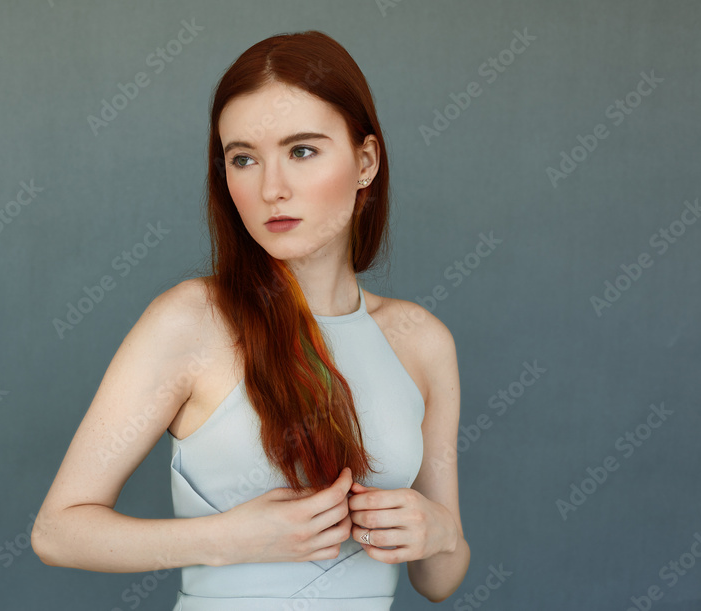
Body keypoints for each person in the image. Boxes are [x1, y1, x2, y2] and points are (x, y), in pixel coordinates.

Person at [32, 30, 470, 610]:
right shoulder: (191, 321)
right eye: (244, 159)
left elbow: (438, 582)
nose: (272, 189)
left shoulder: (421, 342)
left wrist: (438, 534)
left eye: (303, 151)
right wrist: (226, 539)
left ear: (365, 161)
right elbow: (58, 532)